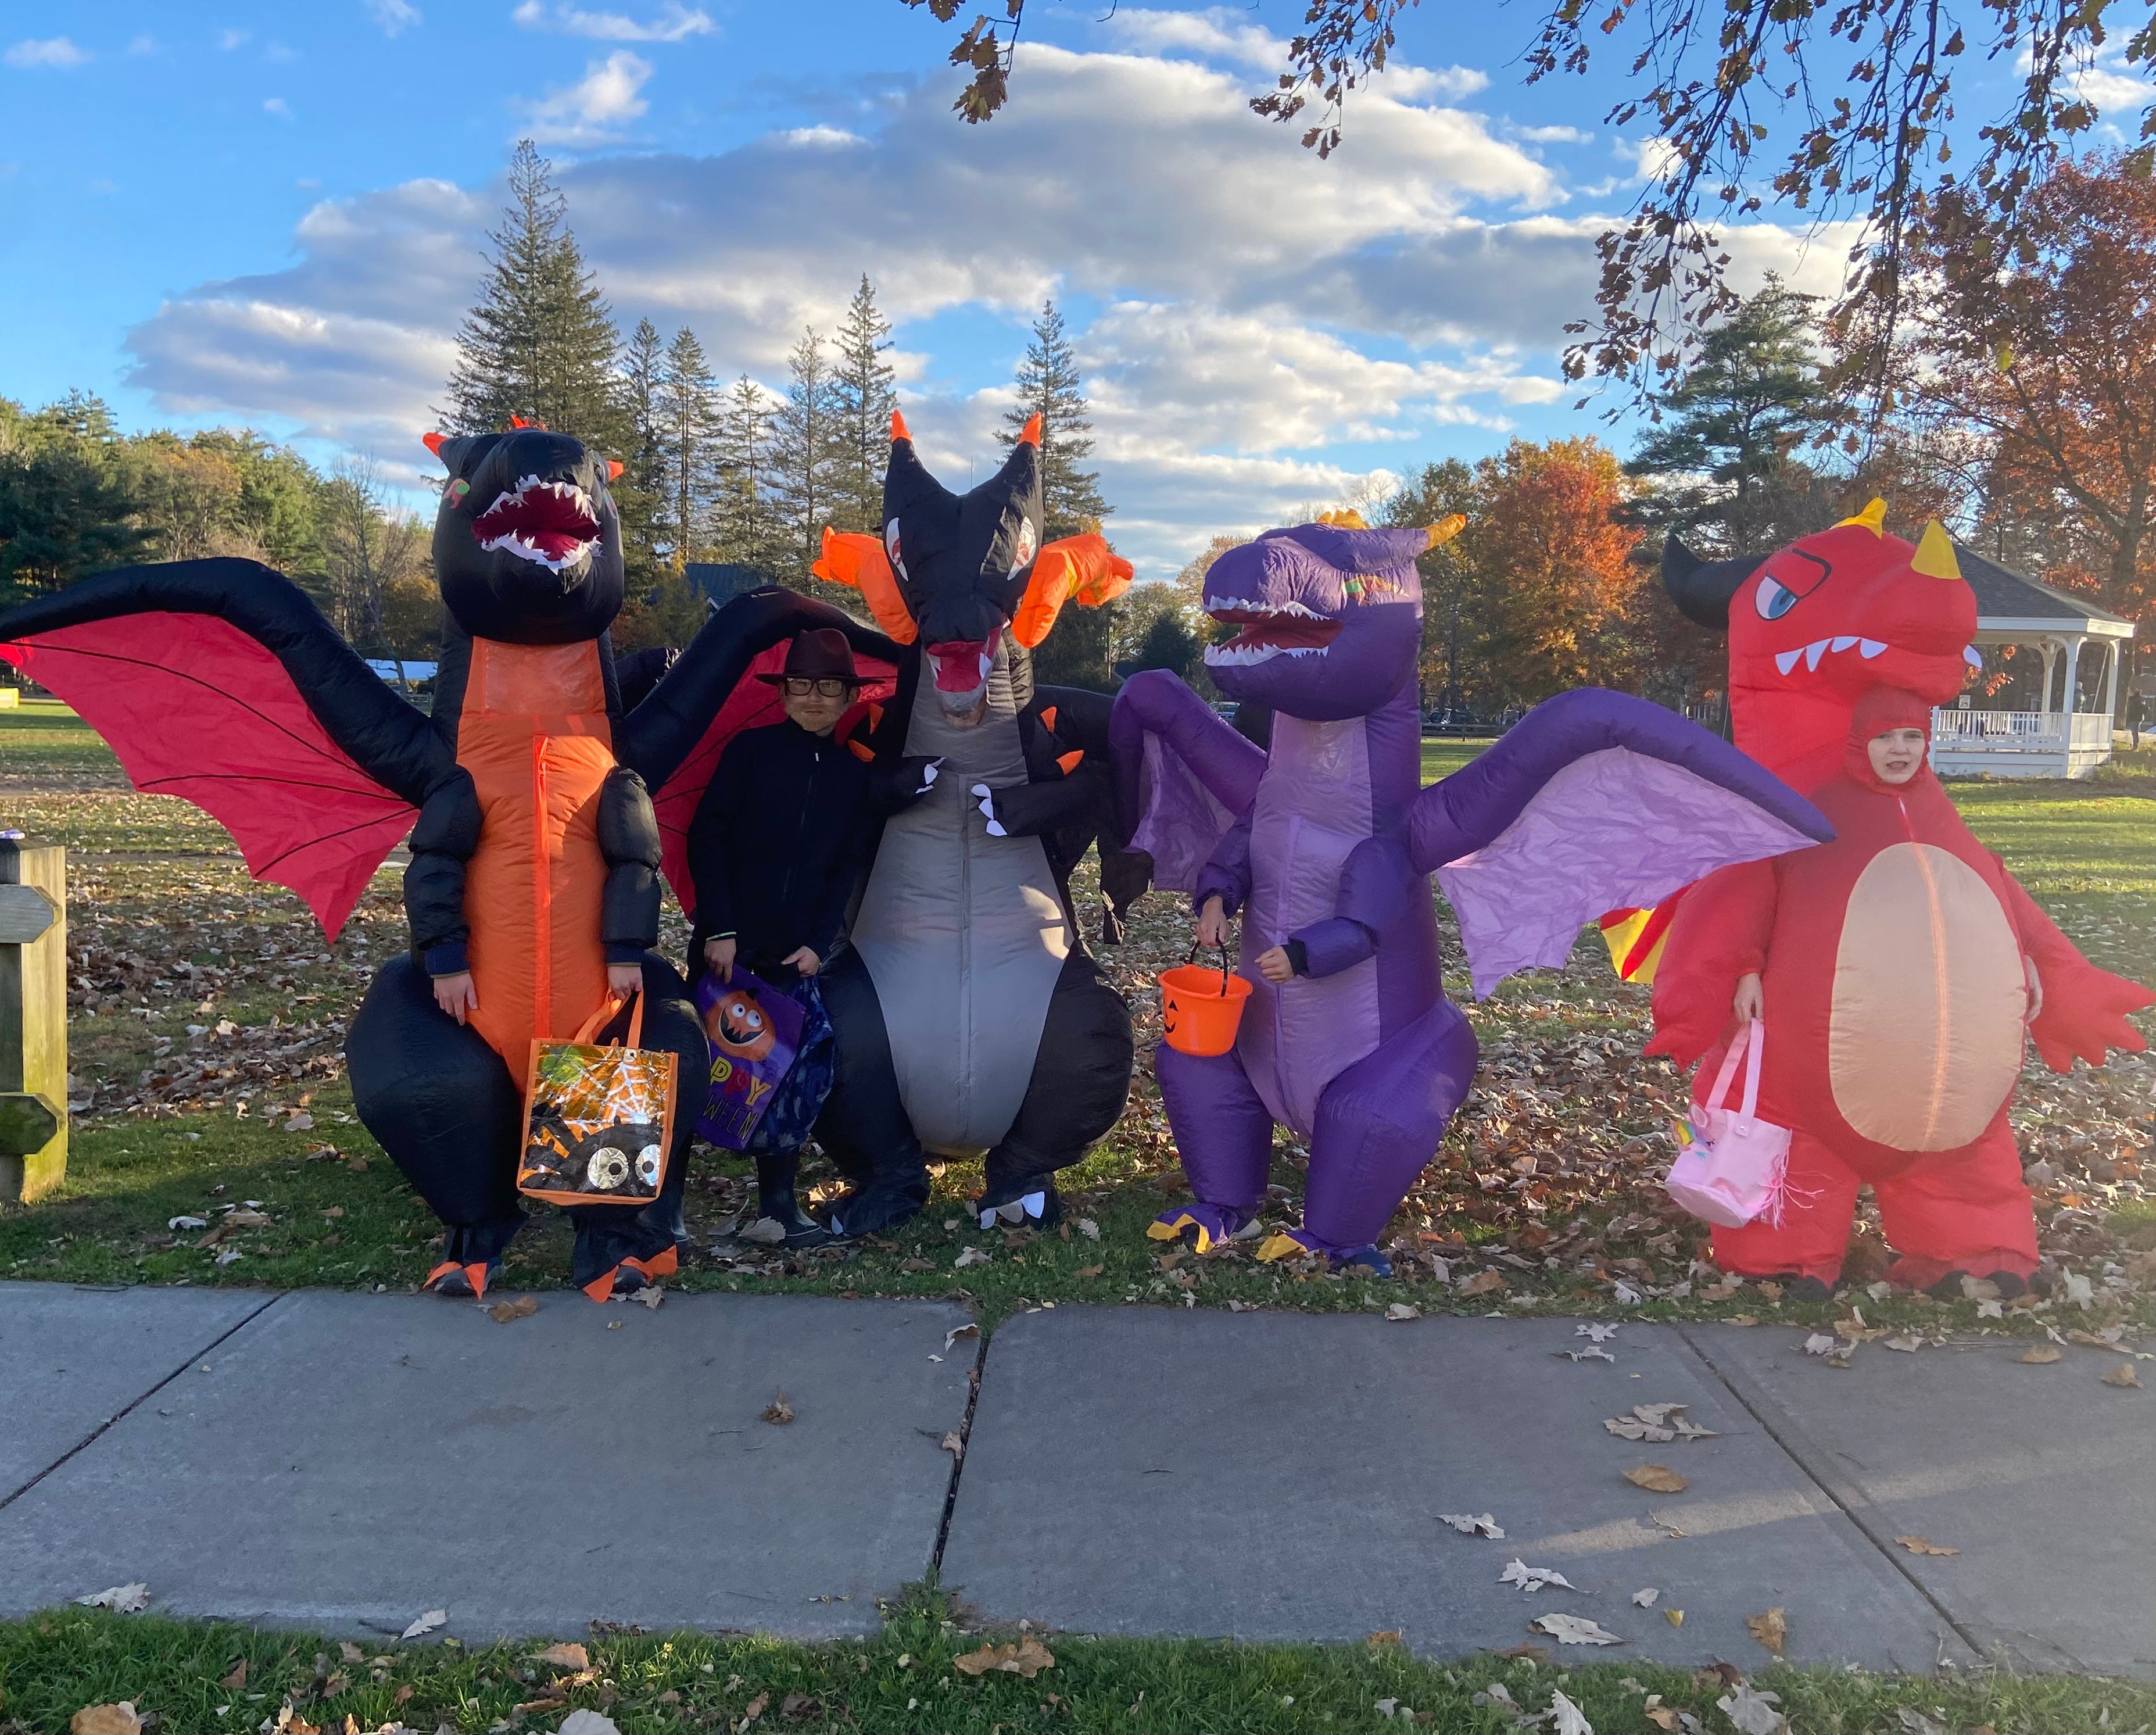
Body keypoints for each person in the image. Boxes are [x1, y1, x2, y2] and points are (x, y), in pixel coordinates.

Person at [1650, 684, 2150, 1296]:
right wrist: (1740, 965)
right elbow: (1750, 876)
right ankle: (1783, 1258)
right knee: (1801, 1146)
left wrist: (2043, 963)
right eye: (1884, 736)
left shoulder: (1939, 816)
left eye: (1912, 736)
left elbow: (1993, 888)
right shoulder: (1817, 813)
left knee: (1959, 1148)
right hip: (1816, 1045)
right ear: (1857, 742)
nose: (1900, 749)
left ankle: (1973, 1249)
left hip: (1948, 1059)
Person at [686, 628, 882, 1247]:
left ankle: (776, 1207)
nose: (814, 698)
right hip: (728, 948)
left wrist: (819, 943)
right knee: (704, 1067)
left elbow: (845, 866)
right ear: (783, 691)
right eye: (802, 684)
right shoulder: (750, 753)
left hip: (793, 954)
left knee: (786, 1074)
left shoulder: (853, 776)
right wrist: (719, 927)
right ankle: (664, 1211)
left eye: (829, 687)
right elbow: (708, 836)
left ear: (849, 695)